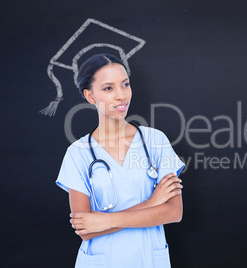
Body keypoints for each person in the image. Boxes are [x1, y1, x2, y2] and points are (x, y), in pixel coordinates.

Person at [56, 53, 185, 268]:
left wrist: (105, 220)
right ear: (90, 96)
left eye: (125, 84)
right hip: (101, 261)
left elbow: (174, 212)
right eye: (108, 88)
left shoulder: (155, 141)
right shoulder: (77, 153)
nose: (121, 95)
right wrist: (151, 203)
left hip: (149, 259)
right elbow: (86, 230)